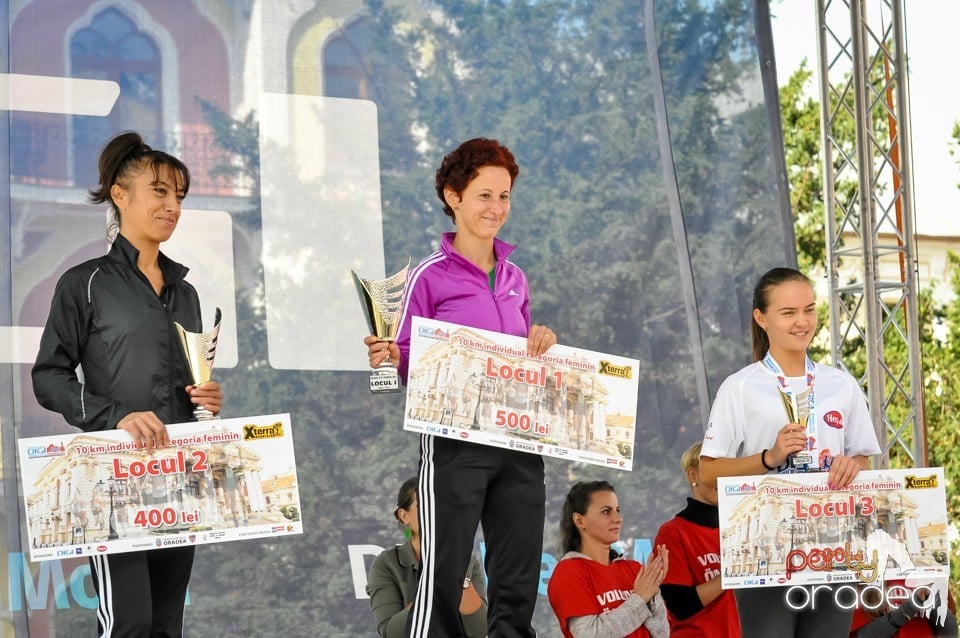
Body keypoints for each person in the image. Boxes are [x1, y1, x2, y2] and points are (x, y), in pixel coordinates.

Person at [32, 131, 223, 636]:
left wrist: (206, 399)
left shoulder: (187, 293)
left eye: (179, 196)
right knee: (129, 624)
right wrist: (115, 416)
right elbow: (48, 378)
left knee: (165, 624)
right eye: (159, 191)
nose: (172, 206)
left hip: (181, 476)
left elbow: (187, 384)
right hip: (111, 478)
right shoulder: (85, 283)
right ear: (120, 194)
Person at [364, 137, 557, 637]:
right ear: (454, 196)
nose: (497, 208)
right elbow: (406, 354)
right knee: (445, 571)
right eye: (484, 195)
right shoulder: (429, 275)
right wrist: (392, 355)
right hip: (454, 441)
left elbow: (525, 355)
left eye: (505, 196)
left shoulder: (517, 277)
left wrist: (541, 341)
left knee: (516, 577)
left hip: (518, 442)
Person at [699, 267, 881, 637]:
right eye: (788, 313)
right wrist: (769, 457)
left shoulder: (841, 384)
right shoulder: (740, 387)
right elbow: (707, 473)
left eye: (809, 310)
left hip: (834, 543)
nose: (802, 322)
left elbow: (862, 457)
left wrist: (852, 464)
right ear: (761, 318)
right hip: (765, 547)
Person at [366, 477, 488, 638]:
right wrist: (433, 583)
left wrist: (460, 579)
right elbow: (391, 632)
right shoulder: (387, 564)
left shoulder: (467, 560)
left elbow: (480, 630)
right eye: (425, 505)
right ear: (404, 516)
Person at [547, 480, 669, 638]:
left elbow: (662, 634)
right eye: (606, 511)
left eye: (618, 510)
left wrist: (652, 594)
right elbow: (589, 635)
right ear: (579, 520)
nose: (618, 519)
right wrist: (640, 598)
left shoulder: (634, 569)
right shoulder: (568, 571)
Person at [653, 441, 740, 636]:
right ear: (693, 475)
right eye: (715, 472)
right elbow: (680, 605)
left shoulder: (741, 527)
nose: (723, 479)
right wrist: (733, 573)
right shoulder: (673, 532)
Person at [849, 580, 958, 637]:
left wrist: (934, 601)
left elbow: (950, 633)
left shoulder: (928, 569)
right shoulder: (864, 575)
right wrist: (910, 607)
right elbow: (862, 635)